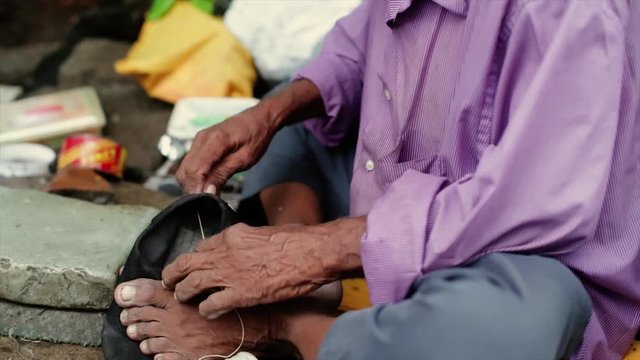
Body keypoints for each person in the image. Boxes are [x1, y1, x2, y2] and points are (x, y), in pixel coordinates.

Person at [113, 1, 640, 359]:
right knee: (296, 134)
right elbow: (360, 42)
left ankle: (287, 323)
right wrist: (273, 111)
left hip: (528, 245)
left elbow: (531, 204)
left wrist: (312, 251)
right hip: (405, 194)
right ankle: (314, 280)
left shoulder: (576, 11)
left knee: (517, 321)